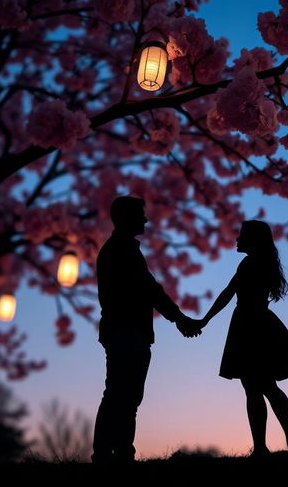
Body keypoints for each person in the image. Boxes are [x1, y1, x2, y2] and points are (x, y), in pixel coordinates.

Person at [91, 195, 201, 464]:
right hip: (127, 331)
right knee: (122, 394)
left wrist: (177, 318)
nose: (146, 219)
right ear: (127, 217)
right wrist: (179, 318)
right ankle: (113, 453)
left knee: (123, 394)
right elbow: (149, 289)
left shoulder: (120, 249)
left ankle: (115, 452)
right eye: (141, 214)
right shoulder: (123, 250)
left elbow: (149, 289)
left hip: (124, 331)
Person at [197, 219, 288, 457]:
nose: (237, 239)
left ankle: (268, 444)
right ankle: (281, 440)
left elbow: (228, 294)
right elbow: (229, 294)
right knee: (263, 387)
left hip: (250, 326)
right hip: (257, 324)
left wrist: (205, 320)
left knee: (258, 388)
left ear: (253, 239)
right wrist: (205, 320)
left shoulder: (250, 264)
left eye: (242, 235)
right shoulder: (260, 263)